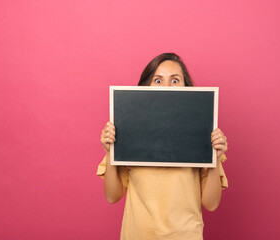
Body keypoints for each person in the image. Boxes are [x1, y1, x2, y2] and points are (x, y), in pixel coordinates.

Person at [96, 53, 228, 240]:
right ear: (147, 86)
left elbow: (211, 204)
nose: (166, 87)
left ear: (186, 87)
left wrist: (215, 156)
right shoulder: (128, 130)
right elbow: (112, 196)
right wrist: (110, 152)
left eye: (175, 80)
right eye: (158, 80)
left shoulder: (202, 132)